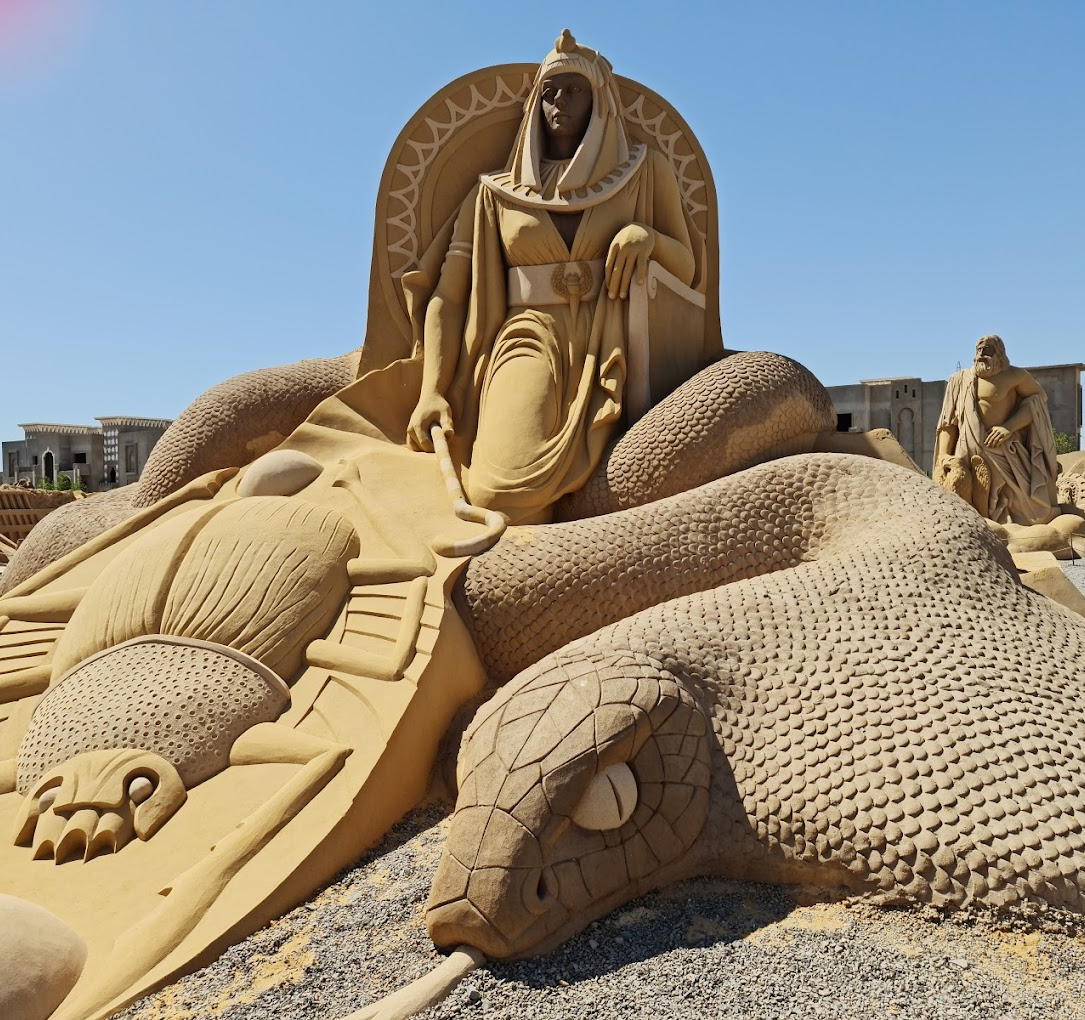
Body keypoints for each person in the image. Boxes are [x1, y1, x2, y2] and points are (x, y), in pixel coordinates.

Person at [405, 29, 697, 524]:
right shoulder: (493, 195)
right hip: (527, 338)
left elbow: (687, 268)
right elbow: (448, 298)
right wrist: (431, 390)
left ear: (600, 101)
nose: (559, 102)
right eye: (549, 92)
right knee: (500, 492)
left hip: (616, 339)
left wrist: (648, 238)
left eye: (575, 90)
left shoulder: (646, 172)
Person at [934, 334, 1059, 524]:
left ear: (999, 353)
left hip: (1004, 451)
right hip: (967, 451)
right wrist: (943, 455)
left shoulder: (1015, 376)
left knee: (1034, 512)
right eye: (979, 350)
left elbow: (1037, 402)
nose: (981, 354)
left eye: (987, 350)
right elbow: (948, 422)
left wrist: (1008, 427)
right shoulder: (959, 380)